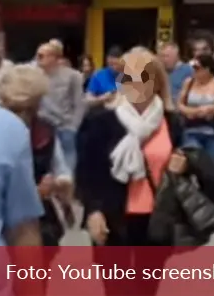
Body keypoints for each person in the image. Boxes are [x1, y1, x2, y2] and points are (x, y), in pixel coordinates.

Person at [75, 48, 185, 294]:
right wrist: (93, 212)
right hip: (114, 217)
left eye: (142, 77)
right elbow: (86, 172)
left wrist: (182, 166)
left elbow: (181, 166)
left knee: (147, 289)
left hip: (155, 218)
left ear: (156, 82)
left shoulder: (171, 122)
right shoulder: (101, 121)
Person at [2, 65, 73, 273]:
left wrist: (59, 184)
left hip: (39, 224)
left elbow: (62, 171)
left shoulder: (46, 131)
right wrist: (35, 192)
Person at [35, 41, 85, 173]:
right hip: (43, 126)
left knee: (66, 168)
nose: (37, 59)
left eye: (41, 56)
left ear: (53, 57)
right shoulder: (35, 76)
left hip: (65, 127)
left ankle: (65, 191)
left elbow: (79, 103)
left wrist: (73, 127)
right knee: (45, 168)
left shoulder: (73, 76)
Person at [178, 54, 214, 161]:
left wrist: (211, 109)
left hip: (211, 130)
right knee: (194, 160)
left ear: (207, 69)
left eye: (198, 69)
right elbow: (180, 104)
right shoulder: (189, 82)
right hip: (191, 129)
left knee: (211, 163)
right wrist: (192, 111)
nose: (195, 72)